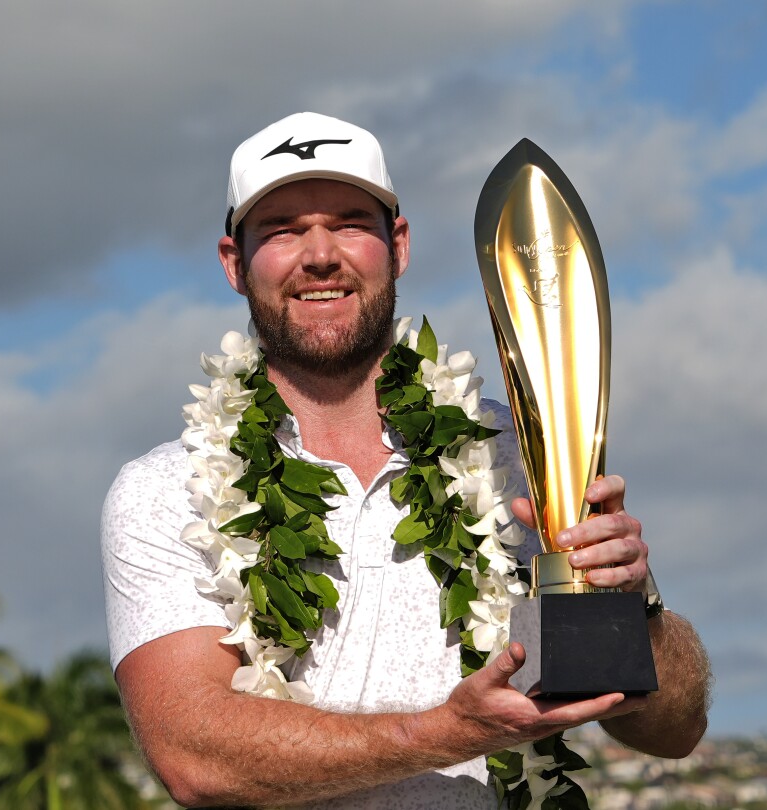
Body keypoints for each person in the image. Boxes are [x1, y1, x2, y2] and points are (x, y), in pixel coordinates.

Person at [103, 111, 710, 809]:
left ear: (399, 244)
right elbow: (194, 756)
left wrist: (638, 609)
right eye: (282, 230)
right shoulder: (167, 490)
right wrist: (453, 731)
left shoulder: (525, 455)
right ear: (234, 264)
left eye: (351, 223)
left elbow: (675, 731)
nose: (321, 254)